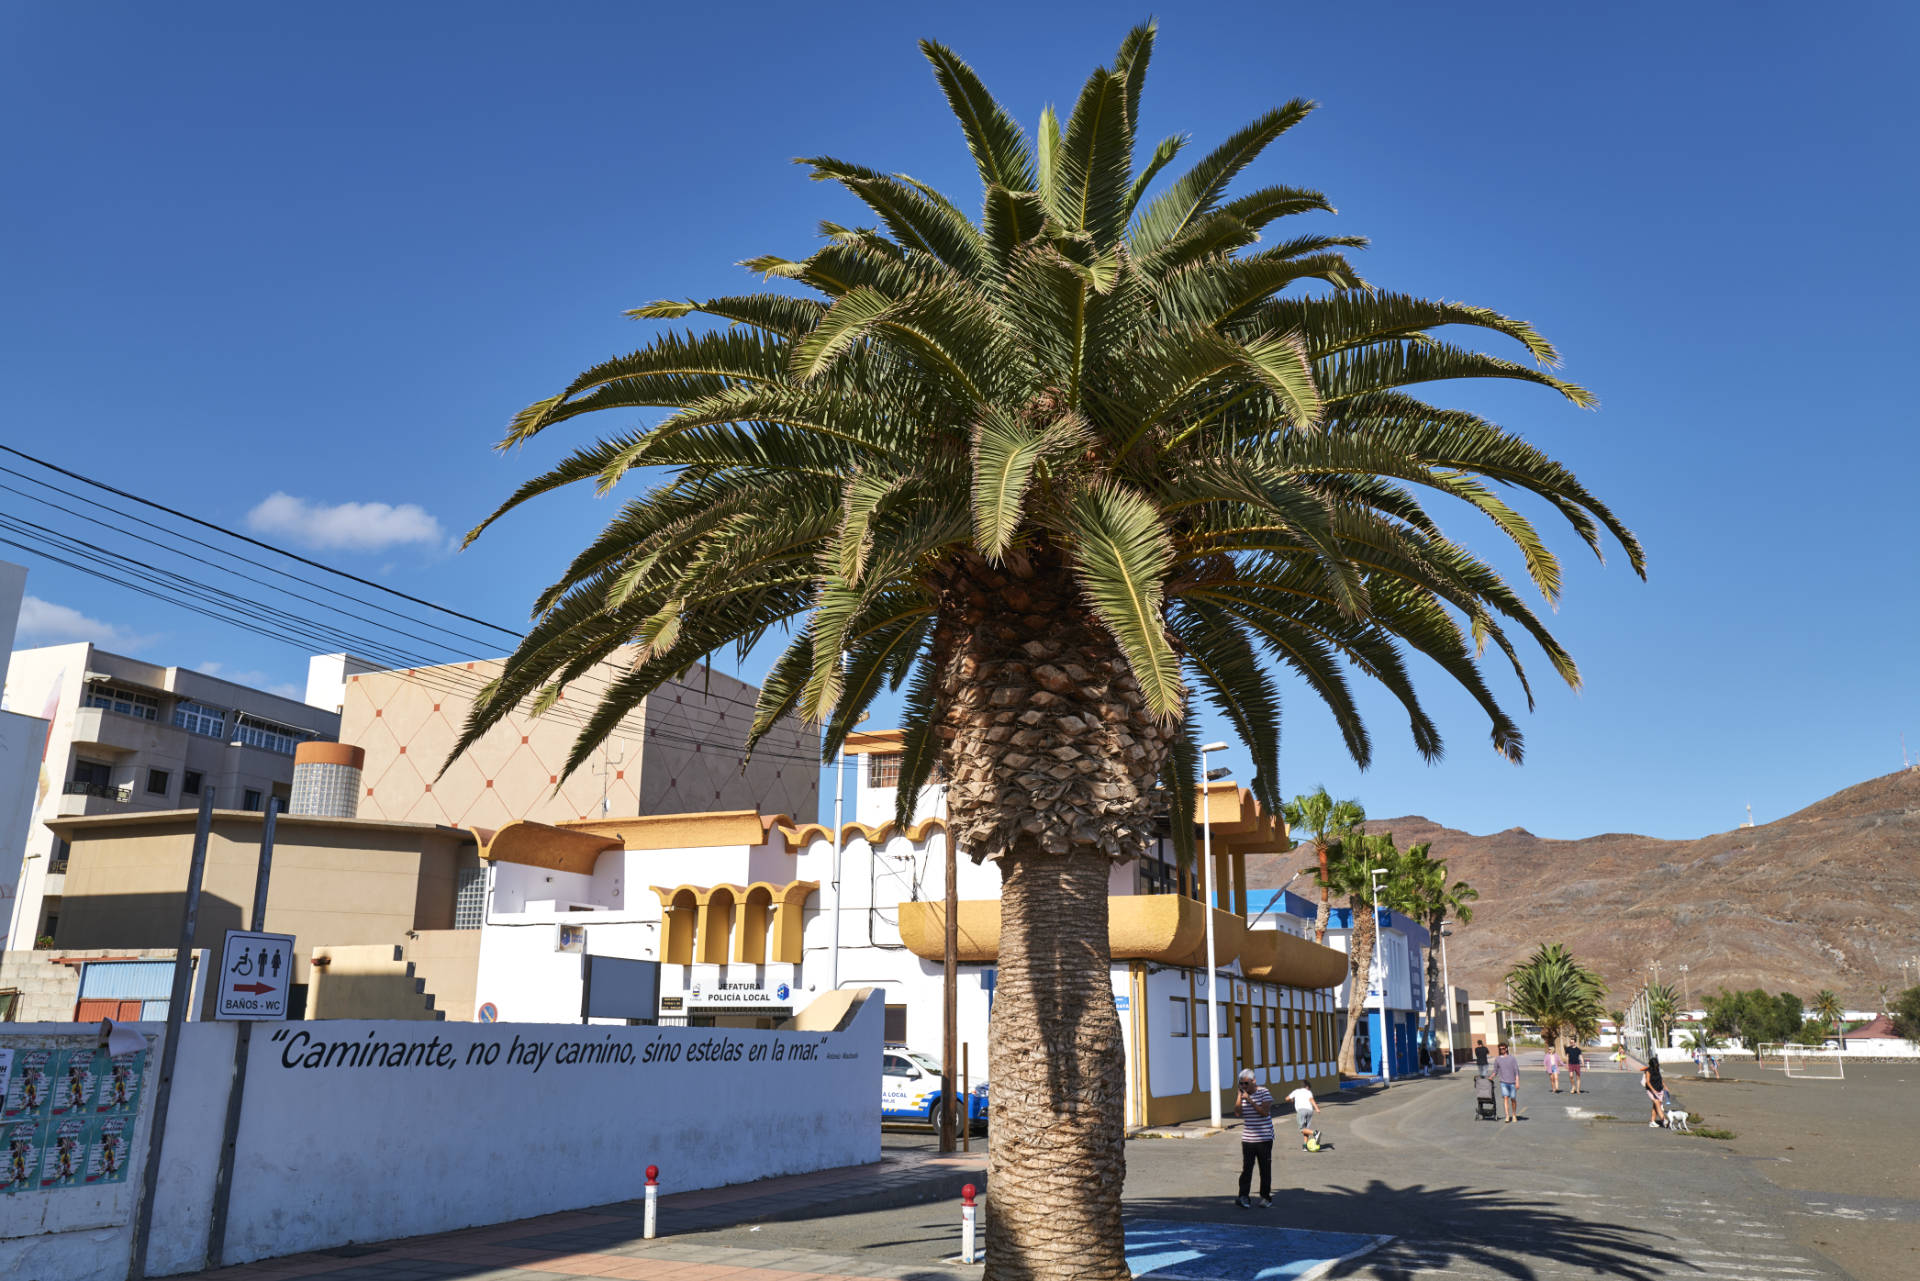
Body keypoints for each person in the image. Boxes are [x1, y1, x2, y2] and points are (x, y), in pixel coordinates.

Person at [1234, 1069, 1274, 1209]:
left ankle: (1265, 1197)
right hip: (1248, 1138)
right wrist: (1239, 1097)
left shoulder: (1264, 1092)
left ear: (1253, 1081)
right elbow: (1237, 1113)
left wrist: (1250, 1100)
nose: (1244, 1086)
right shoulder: (1242, 1095)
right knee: (1247, 1169)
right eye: (1241, 1084)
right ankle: (1243, 1196)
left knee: (1264, 1169)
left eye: (1246, 1083)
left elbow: (1264, 1112)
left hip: (1264, 1138)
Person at [1285, 1082, 1320, 1150]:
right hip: (1310, 1111)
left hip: (1301, 1111)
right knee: (1306, 1129)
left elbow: (1286, 1098)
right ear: (1307, 1087)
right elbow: (1311, 1100)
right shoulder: (1308, 1092)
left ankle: (1315, 1133)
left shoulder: (1296, 1091)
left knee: (1302, 1129)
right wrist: (1317, 1108)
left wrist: (1292, 1099)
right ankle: (1305, 1146)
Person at [1492, 1042, 1521, 1122]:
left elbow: (1516, 1071)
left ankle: (1514, 1115)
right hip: (1503, 1082)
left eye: (1503, 1048)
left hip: (1512, 1082)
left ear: (1506, 1049)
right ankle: (1507, 1116)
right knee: (1505, 1098)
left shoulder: (1512, 1058)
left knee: (1513, 1099)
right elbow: (1495, 1070)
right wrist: (1491, 1077)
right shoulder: (1497, 1059)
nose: (1502, 1050)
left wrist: (1517, 1082)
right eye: (1500, 1049)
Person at [1642, 1055, 1667, 1128]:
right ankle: (1664, 1119)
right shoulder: (1648, 1071)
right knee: (1657, 1103)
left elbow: (1660, 1079)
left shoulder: (1657, 1069)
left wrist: (1665, 1086)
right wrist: (1653, 1090)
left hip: (1659, 1089)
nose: (1657, 1066)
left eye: (1657, 1065)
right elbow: (1648, 1082)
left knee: (1656, 1106)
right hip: (1651, 1090)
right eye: (1655, 1065)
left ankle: (1652, 1121)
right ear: (1652, 1065)